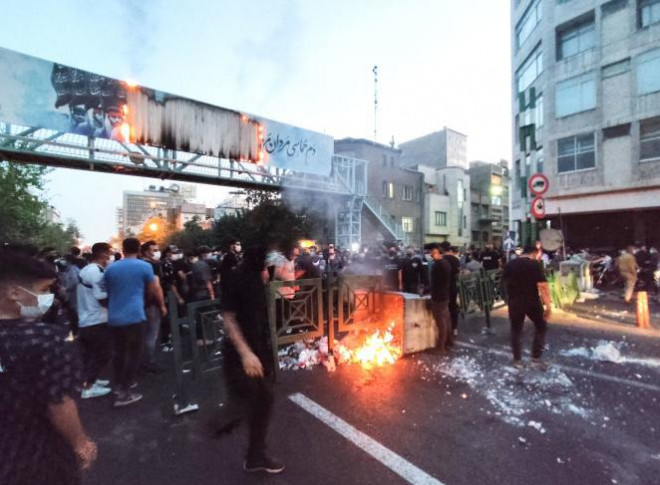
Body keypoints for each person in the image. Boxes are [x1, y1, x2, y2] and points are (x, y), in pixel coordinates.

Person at [0, 248, 97, 484]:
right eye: (43, 290)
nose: (49, 297)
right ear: (14, 292)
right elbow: (58, 404)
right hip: (34, 456)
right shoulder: (48, 339)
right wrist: (80, 443)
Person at [218, 245, 284, 474]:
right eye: (266, 265)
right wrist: (246, 353)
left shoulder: (258, 282)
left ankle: (255, 455)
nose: (268, 271)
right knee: (253, 401)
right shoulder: (236, 279)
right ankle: (225, 426)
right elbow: (228, 318)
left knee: (263, 400)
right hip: (241, 355)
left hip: (258, 351)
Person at [104, 238, 166, 407]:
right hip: (135, 315)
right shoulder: (144, 266)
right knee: (134, 354)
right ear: (139, 249)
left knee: (119, 353)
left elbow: (107, 291)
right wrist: (161, 305)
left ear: (123, 249)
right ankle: (124, 392)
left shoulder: (111, 268)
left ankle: (118, 386)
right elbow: (154, 288)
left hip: (114, 317)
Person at [503, 245, 553, 370]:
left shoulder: (510, 264)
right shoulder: (535, 265)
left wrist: (508, 298)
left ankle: (517, 361)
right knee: (541, 326)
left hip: (515, 302)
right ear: (534, 253)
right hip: (532, 302)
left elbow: (503, 284)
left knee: (516, 330)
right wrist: (548, 306)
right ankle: (535, 358)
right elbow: (543, 286)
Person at [76, 242, 114, 399]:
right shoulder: (96, 272)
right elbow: (102, 297)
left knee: (91, 354)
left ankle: (90, 381)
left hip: (87, 318)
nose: (110, 256)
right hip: (96, 319)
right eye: (109, 253)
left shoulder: (87, 269)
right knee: (102, 354)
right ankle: (88, 387)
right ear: (103, 254)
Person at [140, 240, 166, 373]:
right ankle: (148, 362)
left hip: (140, 305)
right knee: (152, 335)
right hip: (151, 305)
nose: (157, 252)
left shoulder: (139, 264)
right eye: (153, 250)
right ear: (145, 252)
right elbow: (156, 287)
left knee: (143, 334)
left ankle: (142, 361)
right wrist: (161, 305)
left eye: (157, 249)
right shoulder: (151, 266)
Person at [429, 243, 453, 352]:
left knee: (441, 321)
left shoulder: (439, 265)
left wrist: (428, 291)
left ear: (439, 253)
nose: (431, 255)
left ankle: (440, 347)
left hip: (439, 296)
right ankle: (448, 342)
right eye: (431, 252)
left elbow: (436, 283)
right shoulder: (446, 264)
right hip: (444, 294)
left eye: (434, 253)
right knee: (446, 319)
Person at [440, 242, 461, 337]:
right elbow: (457, 273)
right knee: (453, 307)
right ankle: (454, 328)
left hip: (443, 287)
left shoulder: (441, 260)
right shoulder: (456, 260)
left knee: (443, 309)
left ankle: (444, 330)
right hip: (453, 286)